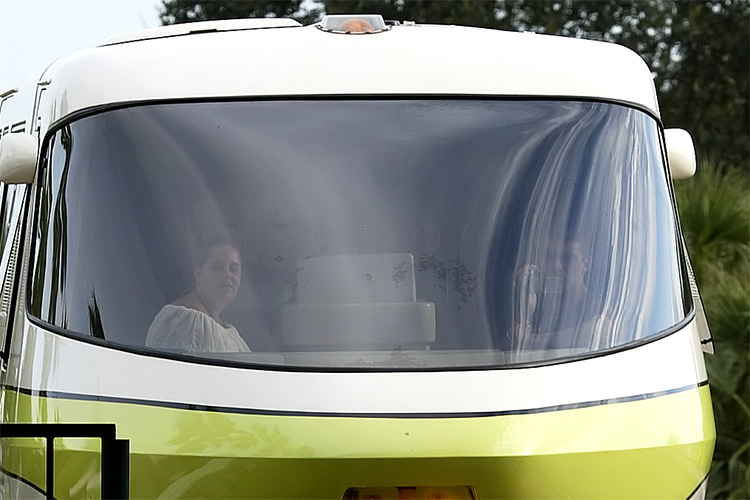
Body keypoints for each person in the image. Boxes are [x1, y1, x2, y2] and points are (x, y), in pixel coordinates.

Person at [146, 240, 251, 353]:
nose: (227, 275)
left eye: (234, 269)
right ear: (198, 273)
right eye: (217, 268)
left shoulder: (227, 329)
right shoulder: (186, 320)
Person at [511, 239, 612, 351]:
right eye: (551, 257)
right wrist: (526, 309)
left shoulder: (599, 304)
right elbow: (506, 351)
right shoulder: (538, 303)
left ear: (586, 265)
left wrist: (534, 340)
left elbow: (600, 332)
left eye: (567, 258)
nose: (557, 265)